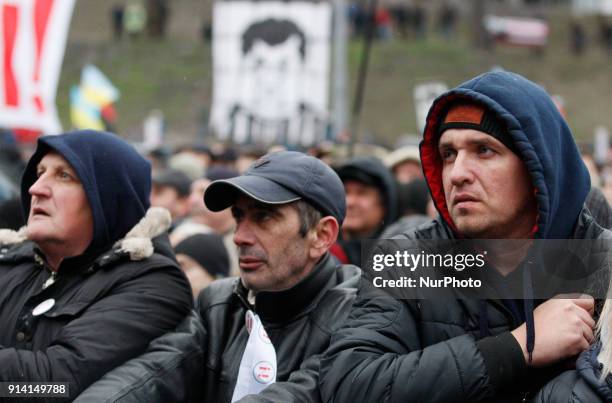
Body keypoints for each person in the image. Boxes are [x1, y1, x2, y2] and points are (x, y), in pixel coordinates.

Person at [319, 71, 610, 402]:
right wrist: (516, 348)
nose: (457, 174)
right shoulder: (407, 261)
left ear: (537, 166)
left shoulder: (604, 265)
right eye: (448, 154)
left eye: (484, 150)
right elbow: (348, 385)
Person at [74, 151, 361, 402]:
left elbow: (307, 392)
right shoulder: (219, 304)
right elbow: (150, 374)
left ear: (321, 236)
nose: (240, 236)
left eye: (264, 217)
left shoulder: (361, 315)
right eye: (238, 216)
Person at [0, 130, 192, 400]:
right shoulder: (11, 259)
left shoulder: (153, 283)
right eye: (40, 172)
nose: (36, 188)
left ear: (107, 198)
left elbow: (56, 384)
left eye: (63, 176)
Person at [331, 156, 397, 265]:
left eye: (362, 193)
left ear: (385, 203)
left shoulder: (399, 260)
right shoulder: (320, 254)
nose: (350, 202)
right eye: (345, 192)